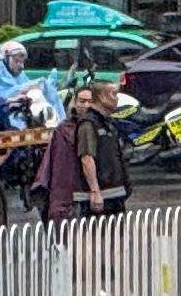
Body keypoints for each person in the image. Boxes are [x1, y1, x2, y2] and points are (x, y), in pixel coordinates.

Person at [36, 80, 130, 221]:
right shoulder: (85, 125)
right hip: (95, 198)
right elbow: (86, 158)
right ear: (102, 97)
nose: (116, 98)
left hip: (113, 194)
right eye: (113, 94)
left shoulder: (108, 124)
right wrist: (95, 191)